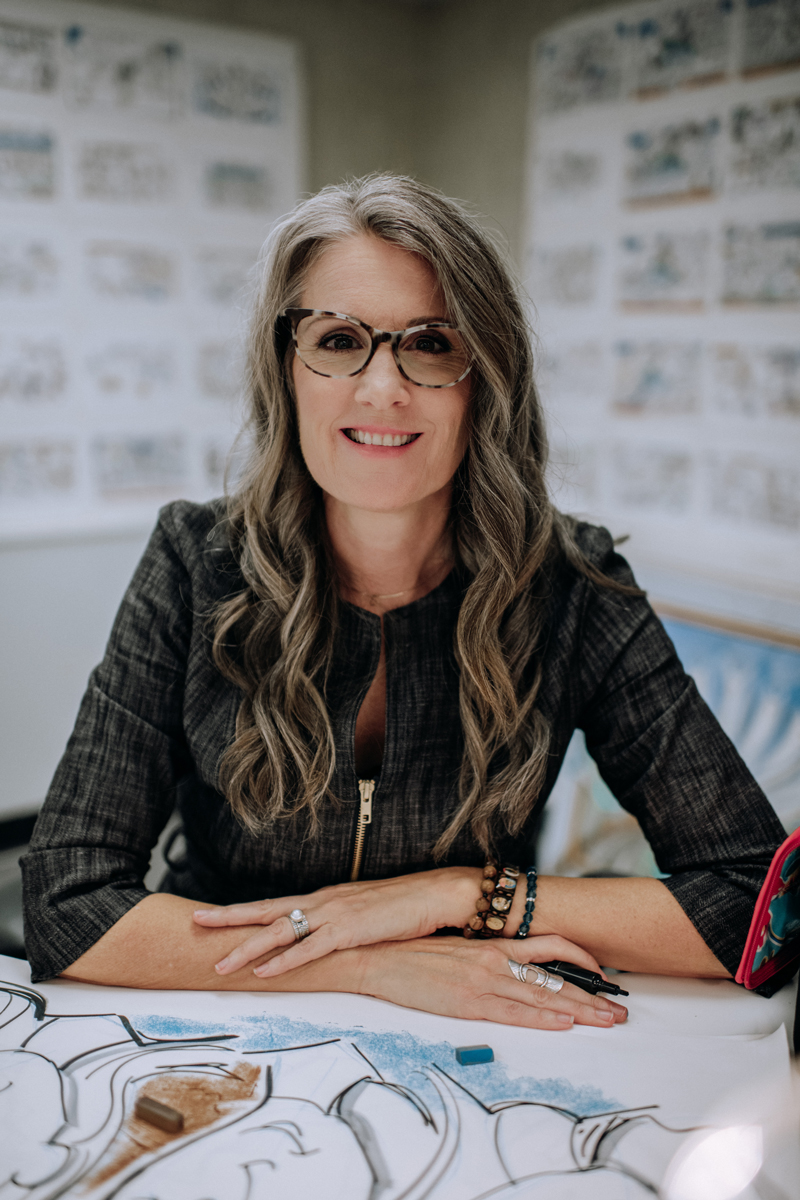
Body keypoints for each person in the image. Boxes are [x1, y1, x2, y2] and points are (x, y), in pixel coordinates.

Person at [21, 174, 786, 1032]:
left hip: (469, 1035)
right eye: (339, 339)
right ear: (288, 369)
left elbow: (761, 909)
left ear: (484, 380)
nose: (382, 387)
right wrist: (370, 967)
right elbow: (67, 896)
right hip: (216, 1023)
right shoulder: (195, 562)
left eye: (429, 344)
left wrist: (461, 896)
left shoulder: (573, 585)